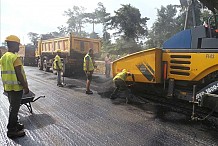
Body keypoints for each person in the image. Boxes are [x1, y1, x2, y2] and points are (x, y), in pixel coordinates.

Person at [1, 35, 29, 138]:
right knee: (15, 108)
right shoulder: (15, 57)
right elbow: (19, 74)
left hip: (8, 87)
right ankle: (12, 130)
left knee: (13, 107)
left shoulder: (4, 57)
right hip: (16, 88)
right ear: (13, 45)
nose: (18, 48)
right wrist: (25, 86)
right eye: (18, 45)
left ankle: (15, 124)